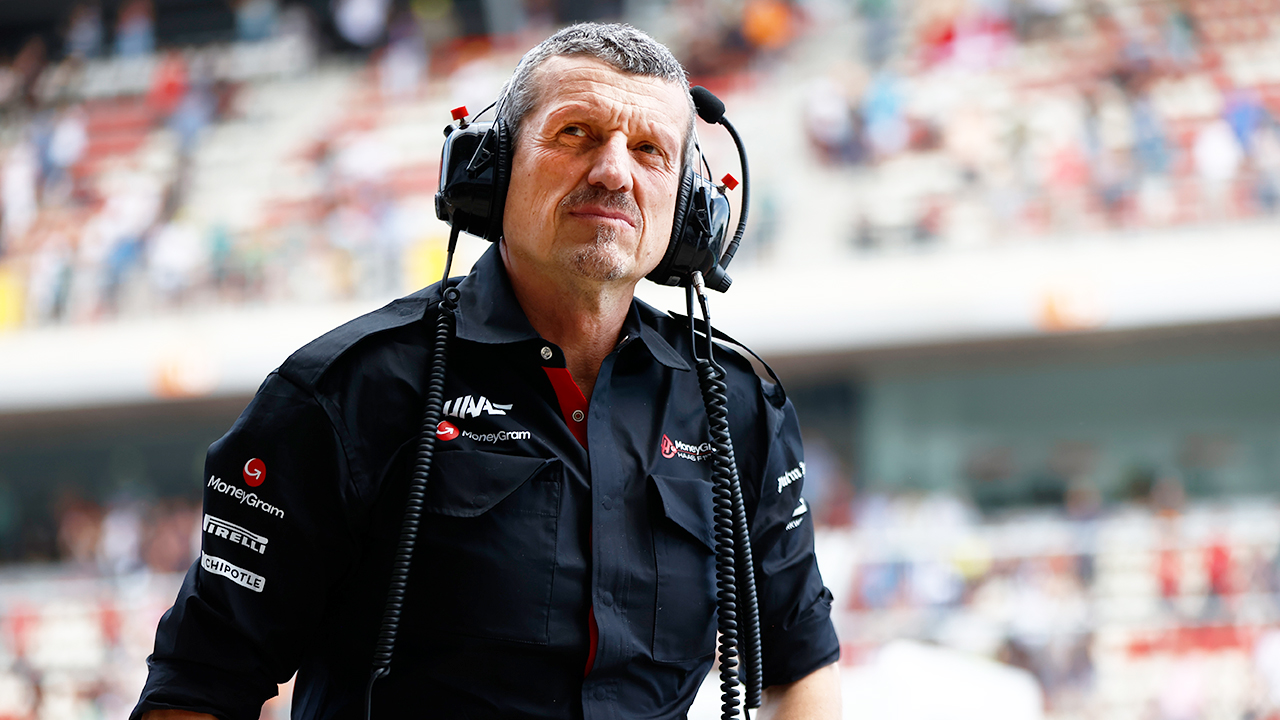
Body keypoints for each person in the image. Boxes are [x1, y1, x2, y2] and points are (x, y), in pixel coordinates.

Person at [132, 23, 840, 720]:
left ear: (688, 210)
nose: (614, 172)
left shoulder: (739, 405)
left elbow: (802, 662)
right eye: (576, 134)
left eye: (649, 150)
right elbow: (198, 687)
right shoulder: (343, 392)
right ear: (492, 169)